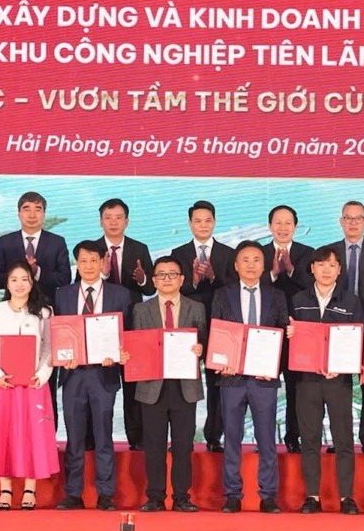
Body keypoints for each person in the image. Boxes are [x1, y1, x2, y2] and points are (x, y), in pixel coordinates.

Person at [124, 256, 206, 513]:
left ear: (182, 279)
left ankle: (182, 497)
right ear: (154, 280)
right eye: (161, 275)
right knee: (154, 445)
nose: (167, 279)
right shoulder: (141, 310)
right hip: (152, 386)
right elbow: (135, 345)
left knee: (183, 445)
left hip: (185, 386)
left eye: (172, 274)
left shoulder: (196, 308)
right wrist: (128, 355)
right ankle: (155, 496)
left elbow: (204, 341)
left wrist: (201, 348)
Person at [213, 240, 289, 513]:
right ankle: (232, 495)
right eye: (245, 260)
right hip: (231, 378)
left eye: (256, 260)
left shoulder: (276, 296)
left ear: (264, 265)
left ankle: (268, 495)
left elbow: (283, 336)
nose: (251, 265)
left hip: (263, 379)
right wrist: (221, 362)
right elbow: (217, 331)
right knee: (231, 439)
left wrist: (273, 367)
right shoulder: (223, 295)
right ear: (236, 265)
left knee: (266, 439)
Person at [55, 241, 132, 510]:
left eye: (93, 260)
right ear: (76, 264)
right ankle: (73, 493)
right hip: (73, 373)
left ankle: (106, 494)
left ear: (103, 262)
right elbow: (58, 333)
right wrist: (63, 357)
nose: (88, 266)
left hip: (104, 373)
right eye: (83, 261)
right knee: (74, 436)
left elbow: (127, 334)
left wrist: (119, 354)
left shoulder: (120, 295)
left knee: (103, 435)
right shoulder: (63, 295)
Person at [0, 260, 59, 511]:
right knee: (4, 435)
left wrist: (42, 374)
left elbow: (49, 347)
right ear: (7, 284)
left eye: (24, 279)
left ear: (32, 283)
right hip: (2, 386)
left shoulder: (44, 312)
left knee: (32, 435)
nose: (19, 284)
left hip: (33, 385)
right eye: (14, 280)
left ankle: (30, 489)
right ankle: (5, 489)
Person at [289, 247, 364, 514]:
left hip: (337, 381)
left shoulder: (351, 302)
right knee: (309, 439)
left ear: (339, 270)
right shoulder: (298, 300)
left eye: (332, 265)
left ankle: (346, 497)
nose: (326, 270)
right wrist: (289, 333)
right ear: (312, 268)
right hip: (307, 380)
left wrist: (342, 367)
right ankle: (312, 496)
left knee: (343, 439)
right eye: (321, 265)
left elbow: (357, 339)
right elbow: (291, 339)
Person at [0, 191, 72, 428]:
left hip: (44, 316)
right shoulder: (5, 243)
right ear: (19, 213)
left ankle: (47, 435)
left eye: (38, 209)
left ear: (44, 214)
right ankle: (13, 433)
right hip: (12, 316)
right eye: (27, 209)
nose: (32, 214)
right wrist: (18, 276)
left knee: (44, 378)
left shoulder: (57, 242)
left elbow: (65, 278)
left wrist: (37, 272)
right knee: (11, 377)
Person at [323, 200, 364, 454]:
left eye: (358, 218)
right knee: (337, 385)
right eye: (348, 218)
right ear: (341, 221)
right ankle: (340, 438)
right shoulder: (329, 252)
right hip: (336, 326)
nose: (353, 222)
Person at [170, 200, 236, 453]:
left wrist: (212, 277)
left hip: (219, 325)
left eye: (208, 220)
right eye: (198, 221)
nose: (203, 225)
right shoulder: (178, 253)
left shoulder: (228, 253)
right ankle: (182, 437)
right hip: (186, 325)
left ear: (215, 222)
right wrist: (195, 281)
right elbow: (173, 288)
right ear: (190, 224)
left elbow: (233, 289)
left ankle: (213, 436)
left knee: (216, 383)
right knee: (182, 383)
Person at [89, 198, 154, 450]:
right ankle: (95, 438)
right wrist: (103, 274)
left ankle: (136, 439)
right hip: (99, 327)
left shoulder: (140, 248)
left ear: (127, 221)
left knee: (132, 383)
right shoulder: (91, 249)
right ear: (100, 221)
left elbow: (149, 289)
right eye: (108, 217)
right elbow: (80, 284)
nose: (113, 222)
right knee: (99, 385)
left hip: (131, 325)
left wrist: (142, 279)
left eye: (118, 218)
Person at [262, 204, 314, 454]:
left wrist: (291, 269)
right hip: (265, 330)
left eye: (288, 223)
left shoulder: (308, 253)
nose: (283, 228)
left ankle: (293, 436)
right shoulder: (259, 253)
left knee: (295, 387)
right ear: (270, 226)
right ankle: (264, 438)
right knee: (264, 388)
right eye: (278, 223)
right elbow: (250, 284)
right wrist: (273, 273)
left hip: (297, 330)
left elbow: (313, 286)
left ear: (295, 226)